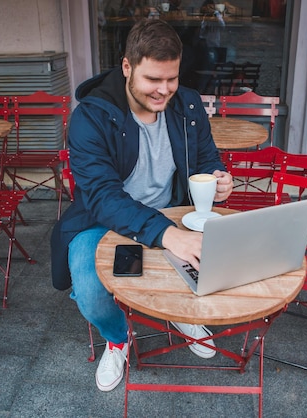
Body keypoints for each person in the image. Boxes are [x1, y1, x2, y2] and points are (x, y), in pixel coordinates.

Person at [50, 18, 234, 392]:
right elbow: (101, 196)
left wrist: (219, 179)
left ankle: (181, 314)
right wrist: (168, 236)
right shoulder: (91, 116)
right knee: (91, 291)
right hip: (100, 221)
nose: (164, 90)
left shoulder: (189, 105)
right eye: (153, 79)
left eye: (172, 78)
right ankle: (117, 337)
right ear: (127, 67)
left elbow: (205, 160)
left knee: (217, 259)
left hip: (173, 212)